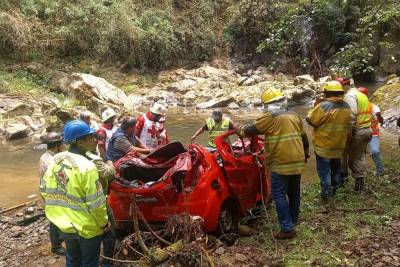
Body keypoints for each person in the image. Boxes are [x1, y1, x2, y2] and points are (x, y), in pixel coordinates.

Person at [237, 89, 309, 239]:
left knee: (278, 194)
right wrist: (306, 153)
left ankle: (287, 228)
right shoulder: (294, 114)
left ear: (267, 104)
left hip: (281, 161)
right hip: (297, 159)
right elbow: (304, 138)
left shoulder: (270, 116)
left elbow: (248, 131)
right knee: (294, 192)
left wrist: (236, 127)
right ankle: (292, 221)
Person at [40, 120, 108, 267]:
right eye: (90, 137)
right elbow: (96, 203)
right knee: (89, 262)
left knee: (72, 259)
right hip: (86, 228)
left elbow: (44, 189)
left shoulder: (56, 159)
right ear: (80, 143)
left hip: (63, 224)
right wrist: (104, 223)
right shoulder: (88, 167)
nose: (94, 139)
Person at [306, 81, 351, 203]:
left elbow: (311, 120)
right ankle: (335, 192)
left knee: (324, 172)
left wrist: (314, 107)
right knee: (336, 169)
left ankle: (326, 196)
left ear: (328, 93)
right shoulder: (346, 106)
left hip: (324, 145)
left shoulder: (323, 106)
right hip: (339, 144)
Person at [337, 77, 372, 191]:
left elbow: (351, 115)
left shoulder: (349, 96)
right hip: (367, 129)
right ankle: (358, 182)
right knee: (359, 155)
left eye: (340, 87)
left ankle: (355, 184)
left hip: (358, 130)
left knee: (351, 157)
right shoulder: (361, 94)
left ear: (344, 86)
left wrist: (349, 131)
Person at [38, 132, 66, 255]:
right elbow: (62, 180)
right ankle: (56, 246)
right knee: (56, 219)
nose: (64, 146)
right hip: (53, 193)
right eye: (62, 144)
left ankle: (58, 241)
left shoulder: (44, 156)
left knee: (55, 217)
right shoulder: (52, 161)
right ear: (57, 145)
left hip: (46, 191)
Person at [358, 87, 385, 175]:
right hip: (359, 132)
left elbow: (381, 120)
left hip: (373, 133)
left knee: (375, 151)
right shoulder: (355, 107)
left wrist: (379, 118)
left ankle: (380, 170)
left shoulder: (374, 107)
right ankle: (361, 172)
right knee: (360, 153)